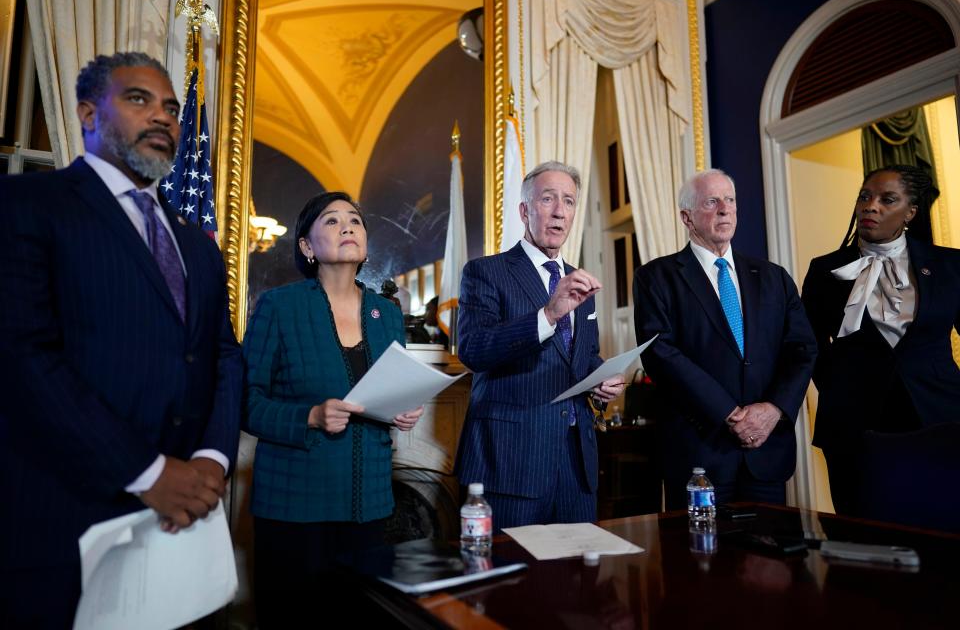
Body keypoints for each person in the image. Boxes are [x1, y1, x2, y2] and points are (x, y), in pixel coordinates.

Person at [0, 52, 241, 627]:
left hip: (183, 520)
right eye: (138, 99)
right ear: (87, 113)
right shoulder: (27, 205)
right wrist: (149, 472)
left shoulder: (197, 242)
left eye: (172, 108)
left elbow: (223, 357)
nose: (162, 117)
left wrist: (211, 459)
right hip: (62, 518)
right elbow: (22, 356)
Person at [242, 191, 423, 628]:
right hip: (294, 508)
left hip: (370, 505)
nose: (347, 227)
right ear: (306, 247)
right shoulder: (278, 307)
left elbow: (387, 391)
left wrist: (401, 410)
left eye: (355, 221)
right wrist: (310, 416)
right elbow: (243, 401)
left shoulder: (388, 314)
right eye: (331, 221)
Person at [454, 161, 624, 530]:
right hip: (512, 458)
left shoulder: (579, 281)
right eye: (548, 199)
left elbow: (581, 356)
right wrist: (548, 314)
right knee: (511, 579)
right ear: (524, 210)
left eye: (569, 201)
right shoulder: (485, 271)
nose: (560, 211)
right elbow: (472, 350)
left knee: (577, 577)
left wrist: (602, 379)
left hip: (576, 462)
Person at [633, 169, 816, 510]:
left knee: (770, 559)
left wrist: (773, 409)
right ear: (687, 217)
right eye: (712, 202)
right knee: (701, 559)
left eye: (730, 200)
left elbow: (802, 350)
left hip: (765, 453)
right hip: (700, 453)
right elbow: (661, 353)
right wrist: (731, 414)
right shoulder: (656, 277)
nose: (725, 209)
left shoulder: (774, 277)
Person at [800, 165, 960, 516]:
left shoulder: (950, 265)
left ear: (911, 212)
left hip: (939, 417)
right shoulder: (824, 270)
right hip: (854, 426)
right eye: (865, 196)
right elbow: (809, 347)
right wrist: (841, 388)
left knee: (942, 528)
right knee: (863, 535)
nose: (871, 206)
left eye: (888, 199)